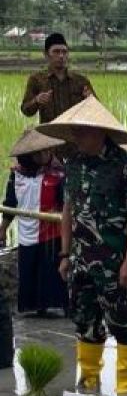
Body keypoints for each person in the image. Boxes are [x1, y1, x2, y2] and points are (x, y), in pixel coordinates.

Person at [35, 97, 127, 395]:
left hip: (116, 262)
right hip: (81, 261)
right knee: (85, 321)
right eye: (74, 132)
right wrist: (64, 254)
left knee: (123, 322)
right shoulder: (74, 166)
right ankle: (88, 381)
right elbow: (68, 211)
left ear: (99, 131)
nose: (76, 137)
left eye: (81, 131)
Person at [2, 128, 69, 316]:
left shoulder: (59, 174)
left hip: (50, 232)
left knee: (49, 271)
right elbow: (10, 202)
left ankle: (56, 306)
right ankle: (33, 308)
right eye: (39, 152)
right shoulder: (17, 175)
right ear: (29, 155)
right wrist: (3, 229)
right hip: (26, 231)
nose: (45, 155)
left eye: (47, 151)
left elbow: (66, 205)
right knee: (29, 269)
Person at [20, 33, 95, 124]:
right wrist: (37, 100)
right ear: (46, 54)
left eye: (64, 52)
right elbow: (25, 110)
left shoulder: (81, 81)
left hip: (75, 135)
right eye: (56, 52)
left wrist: (91, 100)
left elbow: (98, 111)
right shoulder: (36, 79)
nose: (61, 56)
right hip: (49, 134)